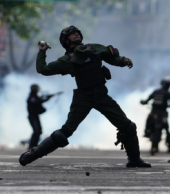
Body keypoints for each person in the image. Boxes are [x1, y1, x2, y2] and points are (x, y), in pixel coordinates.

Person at [19, 25, 151, 168]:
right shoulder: (67, 60)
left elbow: (112, 57)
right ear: (66, 40)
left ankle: (134, 160)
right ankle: (32, 154)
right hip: (83, 97)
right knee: (64, 133)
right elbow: (43, 69)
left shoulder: (94, 48)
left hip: (101, 95)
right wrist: (42, 51)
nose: (76, 34)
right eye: (72, 34)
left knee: (128, 127)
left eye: (77, 32)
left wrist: (123, 61)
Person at [140, 77, 170, 155]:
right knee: (167, 130)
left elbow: (146, 101)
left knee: (148, 124)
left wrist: (143, 102)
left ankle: (147, 132)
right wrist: (169, 106)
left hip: (153, 114)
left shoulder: (155, 92)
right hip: (163, 114)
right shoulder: (168, 94)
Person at [27, 84, 56, 148]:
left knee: (39, 131)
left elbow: (40, 101)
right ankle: (32, 145)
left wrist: (48, 98)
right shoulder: (32, 97)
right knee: (36, 131)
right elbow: (37, 102)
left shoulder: (35, 97)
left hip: (35, 116)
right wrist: (45, 98)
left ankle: (34, 145)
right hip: (32, 116)